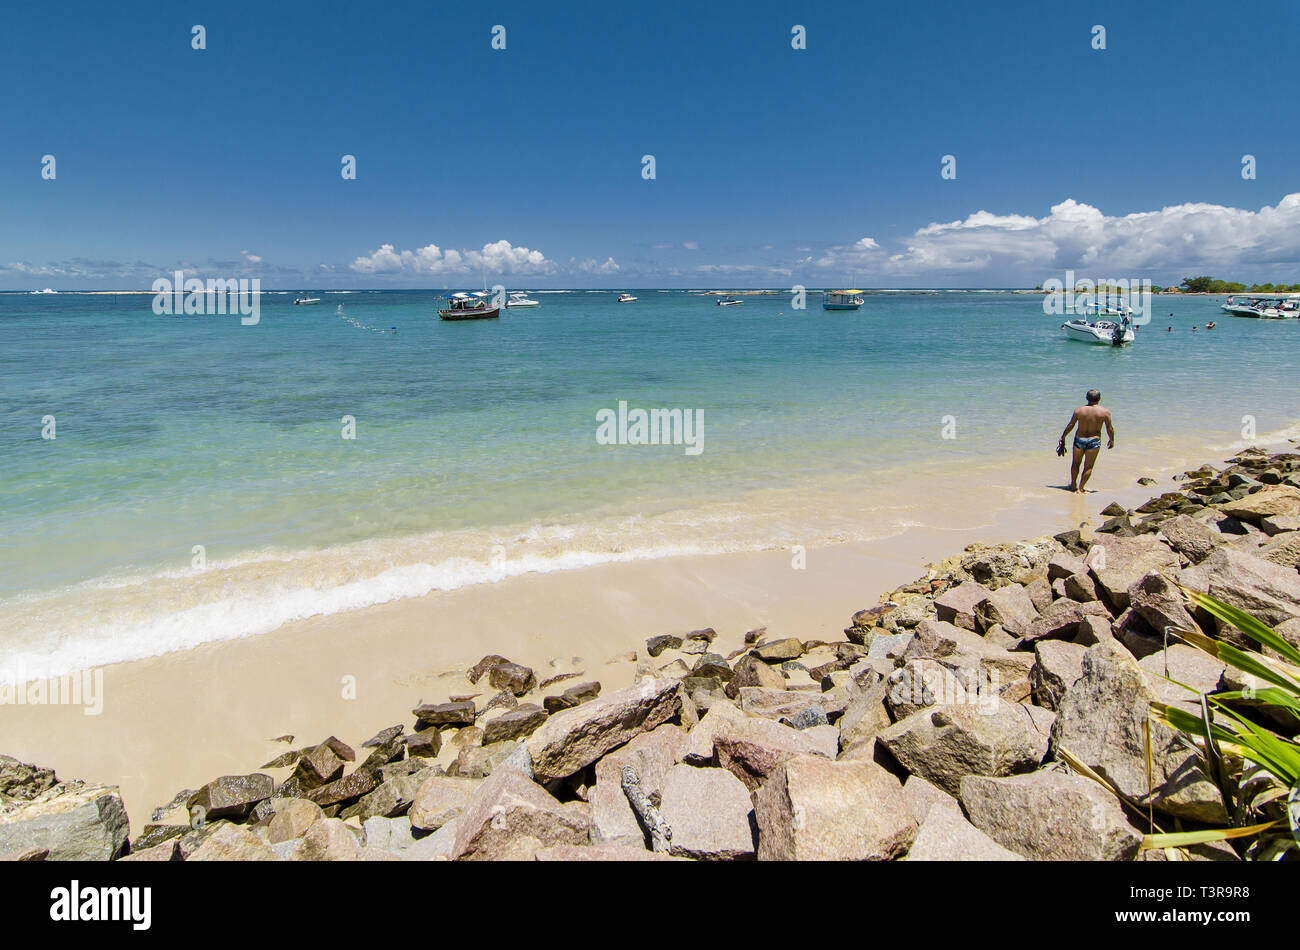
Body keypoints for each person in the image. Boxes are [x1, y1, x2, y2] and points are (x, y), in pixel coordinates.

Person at [1057, 389, 1115, 493]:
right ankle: (1080, 488)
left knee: (1075, 464)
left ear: (1087, 398)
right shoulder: (1105, 412)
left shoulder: (1079, 410)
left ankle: (1073, 485)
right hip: (1094, 440)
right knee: (1088, 466)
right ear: (1099, 398)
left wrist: (1063, 437)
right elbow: (1109, 428)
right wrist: (1111, 440)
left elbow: (1071, 425)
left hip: (1079, 439)